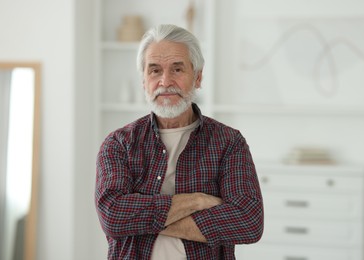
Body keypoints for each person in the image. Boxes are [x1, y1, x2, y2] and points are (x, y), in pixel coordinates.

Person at [95, 24, 264, 260]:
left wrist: (139, 218)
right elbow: (112, 216)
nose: (165, 81)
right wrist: (196, 201)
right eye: (154, 70)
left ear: (198, 77)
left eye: (177, 69)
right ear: (143, 81)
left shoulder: (229, 142)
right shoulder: (118, 144)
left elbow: (248, 222)